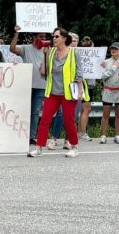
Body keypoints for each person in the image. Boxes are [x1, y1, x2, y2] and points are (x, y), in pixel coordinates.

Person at [28, 27, 83, 158]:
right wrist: (45, 55)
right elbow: (43, 73)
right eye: (53, 36)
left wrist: (80, 90)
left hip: (68, 92)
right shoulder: (51, 52)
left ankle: (74, 147)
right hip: (53, 92)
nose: (54, 39)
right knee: (45, 119)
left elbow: (79, 72)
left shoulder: (74, 53)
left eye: (56, 36)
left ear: (64, 38)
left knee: (69, 119)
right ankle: (39, 148)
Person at [10, 26, 50, 145]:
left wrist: (47, 54)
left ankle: (31, 136)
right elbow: (12, 49)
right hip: (26, 85)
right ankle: (19, 133)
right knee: (23, 110)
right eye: (40, 37)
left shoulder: (47, 50)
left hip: (41, 85)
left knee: (35, 112)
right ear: (34, 37)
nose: (43, 39)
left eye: (44, 37)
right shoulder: (26, 48)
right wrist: (17, 33)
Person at [99, 42, 119, 144]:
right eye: (112, 49)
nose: (113, 50)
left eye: (116, 49)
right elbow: (102, 76)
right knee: (106, 114)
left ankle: (117, 135)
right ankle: (103, 135)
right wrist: (113, 67)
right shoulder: (105, 62)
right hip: (108, 90)